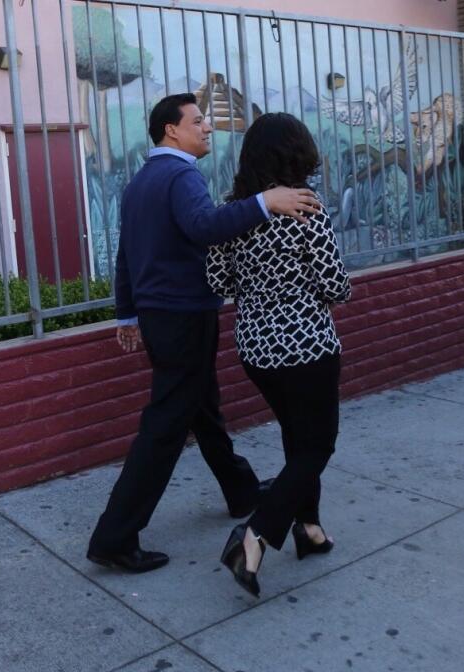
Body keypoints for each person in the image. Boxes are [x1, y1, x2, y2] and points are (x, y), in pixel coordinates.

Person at [86, 95, 323, 574]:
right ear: (171, 131)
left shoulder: (140, 181)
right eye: (198, 121)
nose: (208, 128)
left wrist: (127, 315)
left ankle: (239, 491)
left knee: (203, 409)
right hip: (182, 315)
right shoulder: (180, 175)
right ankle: (114, 535)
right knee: (167, 423)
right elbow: (204, 227)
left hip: (159, 316)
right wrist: (265, 201)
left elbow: (127, 256)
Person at [207, 113, 351, 597]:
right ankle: (254, 535)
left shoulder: (235, 211)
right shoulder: (306, 207)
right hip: (307, 345)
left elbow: (218, 283)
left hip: (256, 349)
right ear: (298, 152)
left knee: (298, 439)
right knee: (317, 445)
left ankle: (308, 529)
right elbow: (334, 283)